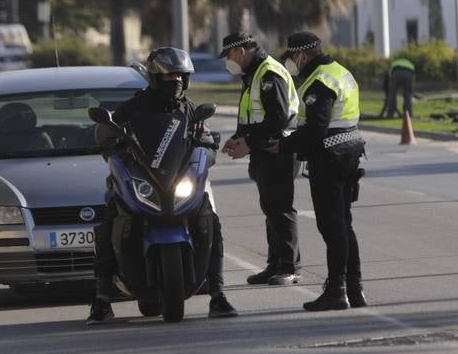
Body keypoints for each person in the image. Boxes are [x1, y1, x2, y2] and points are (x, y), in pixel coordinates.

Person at [86, 46, 237, 324]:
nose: (176, 82)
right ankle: (102, 299)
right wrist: (110, 140)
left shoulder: (189, 108)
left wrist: (209, 144)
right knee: (110, 220)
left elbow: (204, 136)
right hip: (142, 180)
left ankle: (218, 295)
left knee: (210, 220)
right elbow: (108, 131)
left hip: (178, 182)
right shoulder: (133, 107)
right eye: (170, 77)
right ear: (155, 78)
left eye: (181, 77)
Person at [269, 32, 367, 311]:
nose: (290, 63)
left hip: (330, 159)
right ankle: (355, 288)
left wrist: (285, 146)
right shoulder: (340, 71)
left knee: (332, 227)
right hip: (349, 154)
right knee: (344, 225)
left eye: (290, 57)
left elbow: (316, 128)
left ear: (301, 56)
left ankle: (337, 290)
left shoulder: (320, 80)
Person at [218, 32, 302, 285]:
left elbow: (277, 118)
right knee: (271, 209)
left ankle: (290, 266)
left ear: (241, 52)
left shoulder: (268, 73)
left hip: (278, 149)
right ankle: (274, 263)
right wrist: (238, 138)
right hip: (263, 150)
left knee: (281, 208)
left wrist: (248, 143)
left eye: (229, 55)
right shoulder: (253, 74)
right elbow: (252, 117)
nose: (228, 61)